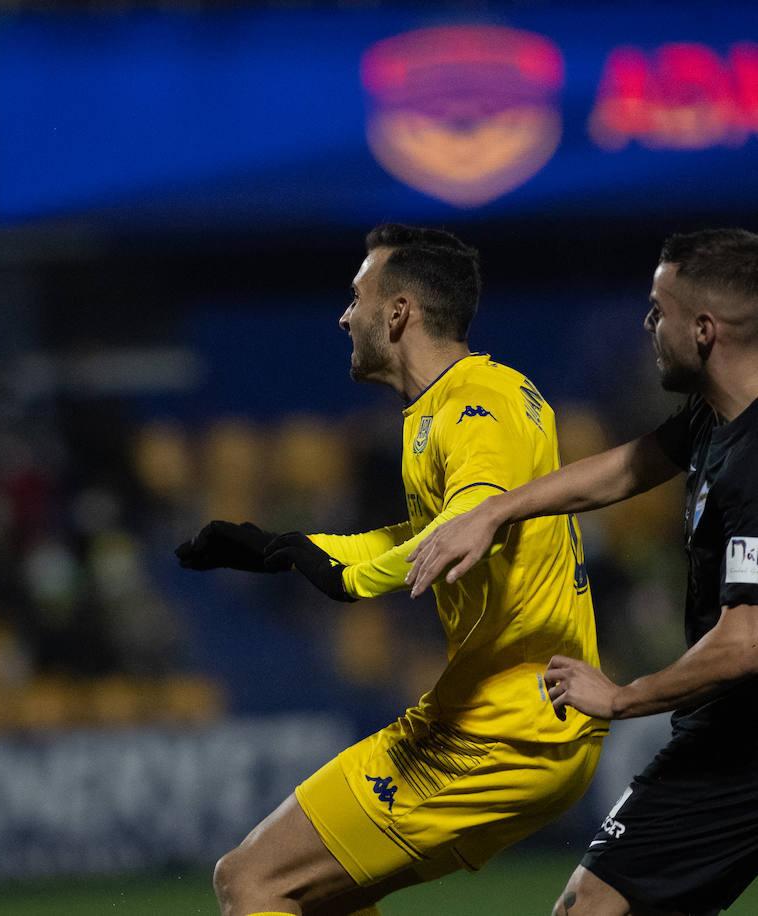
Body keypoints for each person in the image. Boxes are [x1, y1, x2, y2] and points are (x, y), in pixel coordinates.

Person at [176, 224, 608, 916]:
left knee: (250, 880)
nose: (345, 316)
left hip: (499, 729)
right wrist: (288, 548)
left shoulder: (477, 405)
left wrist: (348, 578)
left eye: (357, 297)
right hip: (519, 719)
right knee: (324, 897)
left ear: (399, 312)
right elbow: (421, 531)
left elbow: (473, 516)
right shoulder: (454, 406)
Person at [406, 228, 758, 916]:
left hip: (738, 743)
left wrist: (623, 698)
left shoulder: (755, 458)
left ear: (706, 330)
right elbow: (621, 470)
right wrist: (495, 512)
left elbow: (747, 641)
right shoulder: (715, 422)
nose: (648, 326)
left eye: (660, 311)